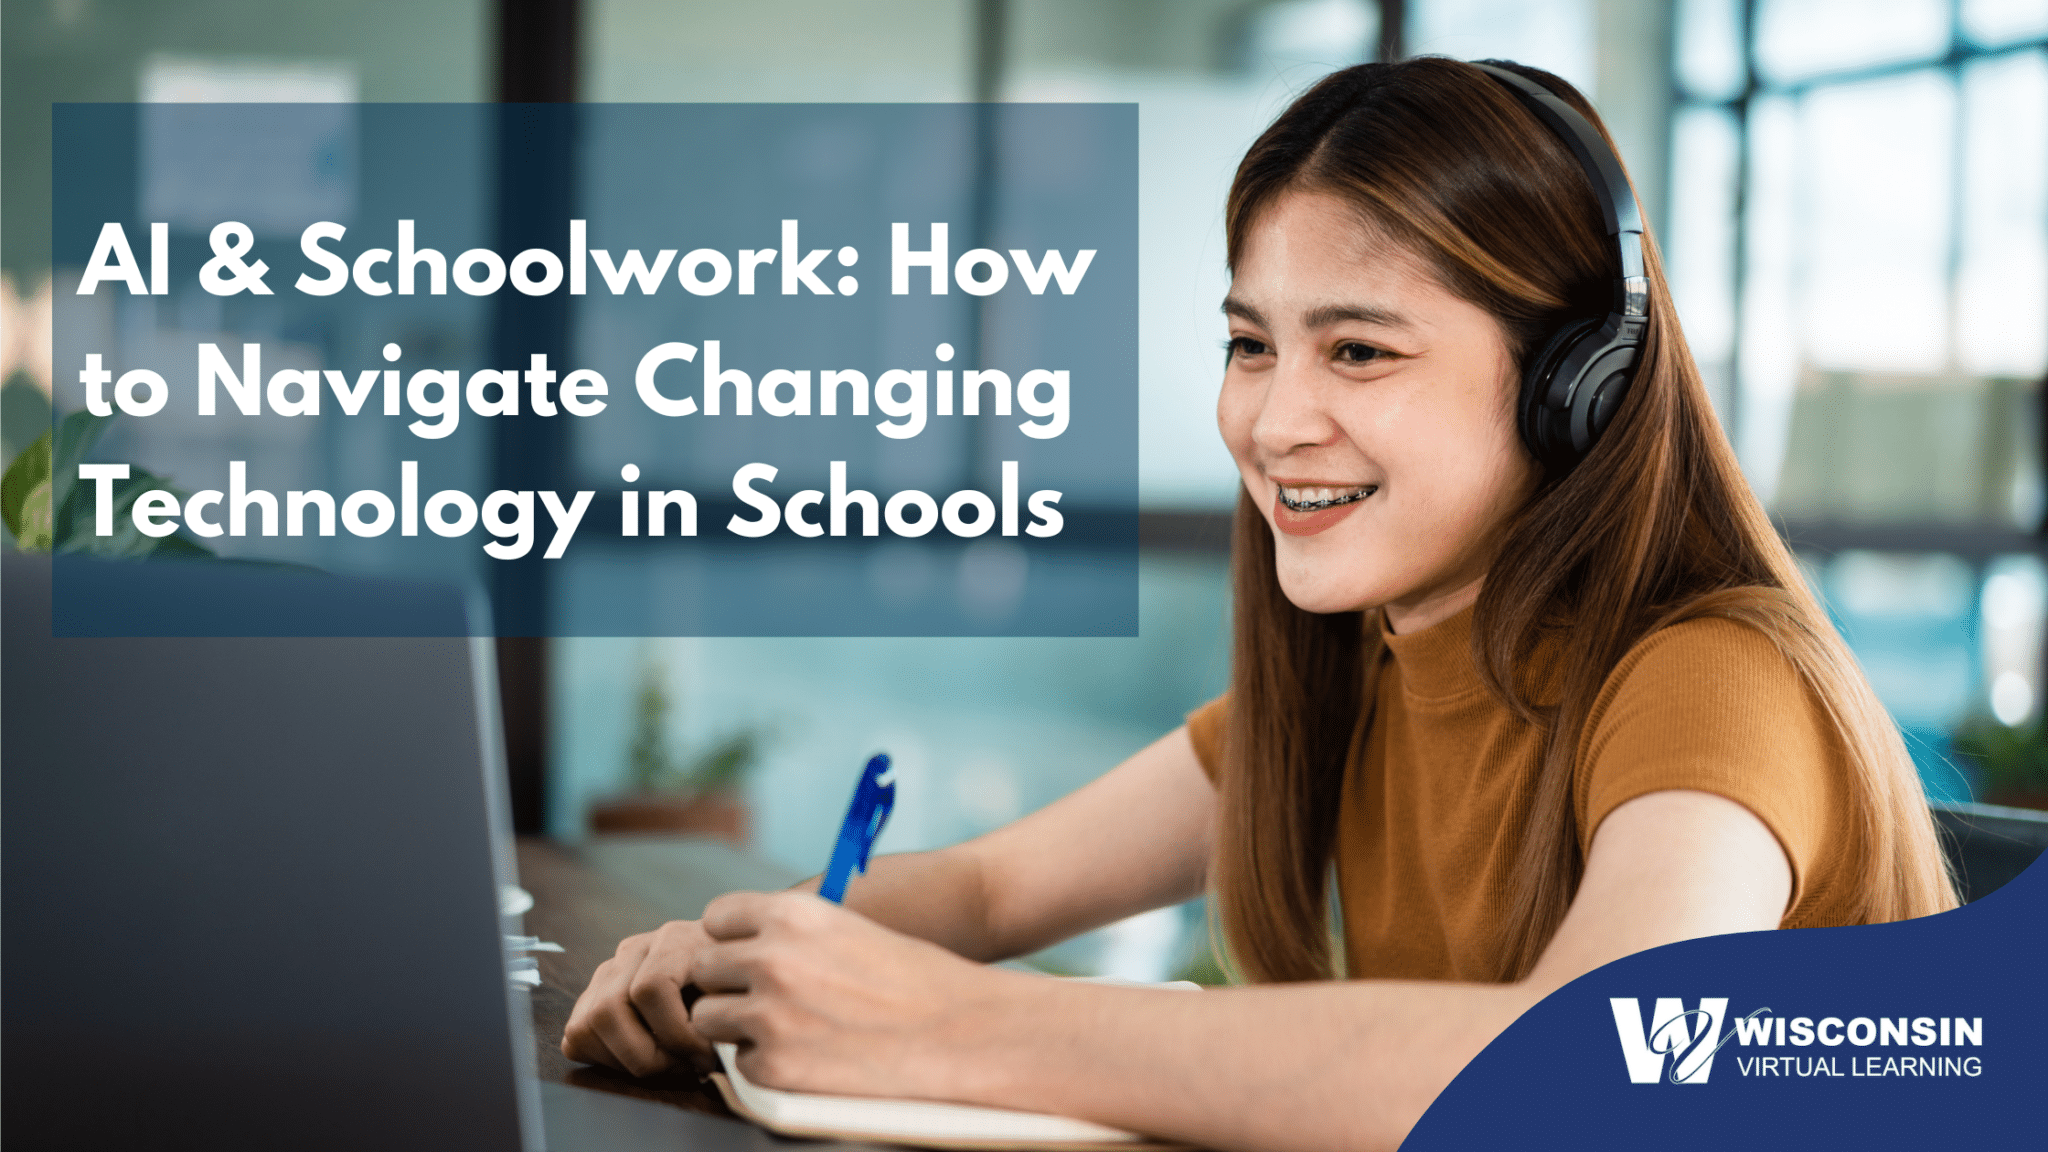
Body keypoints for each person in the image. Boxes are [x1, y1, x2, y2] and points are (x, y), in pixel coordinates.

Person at [561, 58, 1959, 1150]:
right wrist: (752, 954)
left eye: (1358, 349)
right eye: (1250, 344)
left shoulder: (1711, 673)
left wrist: (962, 1030)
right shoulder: (1370, 666)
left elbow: (1596, 1071)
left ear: (1572, 386)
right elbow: (994, 884)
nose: (1275, 419)